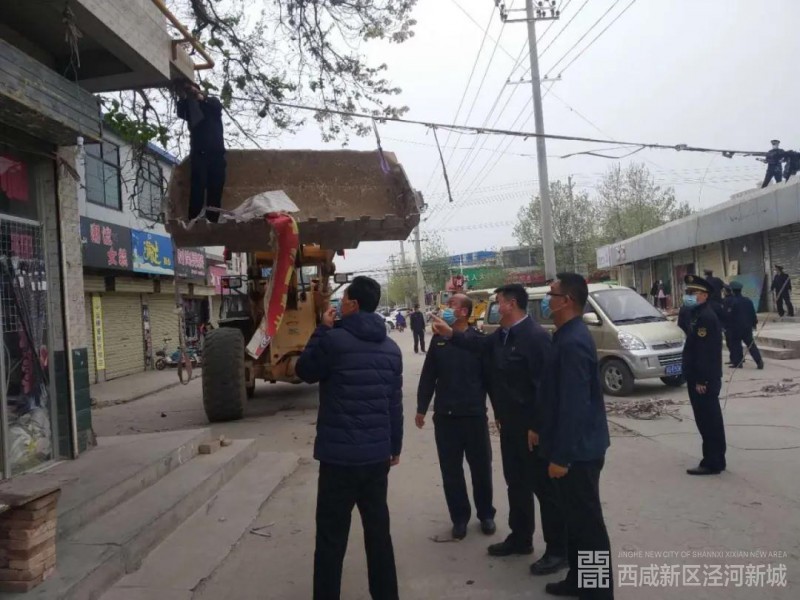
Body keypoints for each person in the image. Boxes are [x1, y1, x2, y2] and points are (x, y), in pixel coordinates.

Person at [432, 284, 567, 576]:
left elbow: (546, 388)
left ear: (512, 304)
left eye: (499, 301)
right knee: (516, 483)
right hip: (510, 425)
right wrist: (451, 334)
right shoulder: (502, 336)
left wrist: (537, 425)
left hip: (531, 429)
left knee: (544, 489)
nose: (495, 305)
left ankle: (558, 550)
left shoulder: (535, 337)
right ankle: (521, 538)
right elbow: (478, 346)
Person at [295, 276, 403, 600]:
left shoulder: (333, 340)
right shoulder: (392, 349)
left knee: (331, 538)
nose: (339, 305)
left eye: (343, 301)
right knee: (379, 535)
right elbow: (394, 404)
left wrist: (321, 330)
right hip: (376, 459)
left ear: (354, 305)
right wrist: (395, 446)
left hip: (338, 461)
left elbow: (304, 371)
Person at [539, 273, 613, 599]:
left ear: (566, 301)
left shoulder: (573, 342)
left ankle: (597, 592)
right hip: (571, 447)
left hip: (579, 453)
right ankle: (578, 579)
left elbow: (574, 405)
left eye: (551, 295)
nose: (547, 300)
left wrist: (561, 456)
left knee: (588, 526)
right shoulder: (565, 335)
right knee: (575, 521)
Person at [416, 294, 496, 540]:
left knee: (481, 468)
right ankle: (459, 518)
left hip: (474, 416)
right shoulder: (438, 341)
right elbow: (429, 376)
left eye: (451, 305)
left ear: (463, 312)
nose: (446, 309)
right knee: (451, 472)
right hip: (446, 417)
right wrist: (421, 408)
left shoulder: (478, 340)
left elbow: (491, 380)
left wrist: (499, 412)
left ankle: (486, 514)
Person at [681, 275, 725, 476]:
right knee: (708, 420)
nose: (689, 296)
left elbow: (705, 352)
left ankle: (712, 461)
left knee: (708, 421)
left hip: (703, 379)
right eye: (688, 292)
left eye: (693, 293)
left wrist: (701, 380)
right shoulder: (698, 314)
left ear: (705, 295)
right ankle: (716, 459)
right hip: (701, 377)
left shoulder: (705, 318)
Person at [176, 81, 226, 222]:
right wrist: (183, 96)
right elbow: (181, 112)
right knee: (197, 188)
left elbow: (217, 107)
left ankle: (212, 220)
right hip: (199, 155)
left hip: (217, 155)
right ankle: (194, 220)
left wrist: (199, 96)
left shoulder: (212, 103)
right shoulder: (189, 108)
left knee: (215, 188)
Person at [726, 282, 764, 370]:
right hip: (747, 327)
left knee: (736, 345)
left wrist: (727, 326)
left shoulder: (732, 302)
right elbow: (752, 313)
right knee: (751, 345)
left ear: (732, 291)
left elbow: (729, 315)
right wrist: (754, 323)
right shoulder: (748, 300)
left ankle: (738, 363)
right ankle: (759, 361)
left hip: (735, 328)